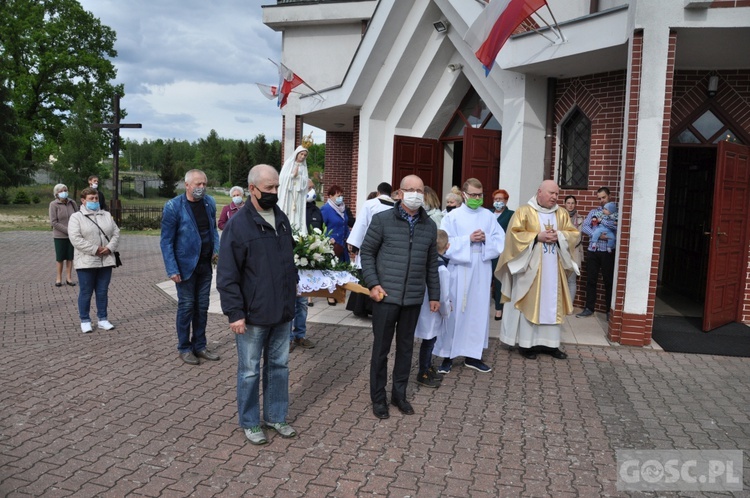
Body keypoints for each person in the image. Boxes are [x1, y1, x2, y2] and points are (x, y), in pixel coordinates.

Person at [216, 164, 299, 446]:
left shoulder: (282, 218)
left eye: (277, 187)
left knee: (279, 366)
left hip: (282, 310)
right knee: (249, 370)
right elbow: (227, 274)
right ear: (252, 189)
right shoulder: (238, 226)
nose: (274, 193)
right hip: (252, 314)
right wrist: (235, 313)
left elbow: (288, 262)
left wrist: (293, 295)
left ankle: (276, 416)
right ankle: (250, 422)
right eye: (269, 188)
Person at [360, 175, 440, 419]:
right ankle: (378, 398)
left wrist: (434, 295)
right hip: (386, 296)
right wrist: (373, 284)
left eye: (419, 190)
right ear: (400, 193)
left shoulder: (429, 226)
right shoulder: (382, 220)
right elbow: (367, 253)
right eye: (410, 190)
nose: (416, 194)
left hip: (413, 298)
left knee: (406, 349)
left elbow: (431, 264)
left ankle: (399, 395)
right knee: (381, 350)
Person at [496, 180, 579, 359]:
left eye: (557, 194)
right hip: (530, 270)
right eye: (551, 193)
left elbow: (573, 234)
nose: (555, 197)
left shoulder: (562, 213)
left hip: (554, 270)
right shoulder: (524, 211)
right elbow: (513, 236)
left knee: (552, 303)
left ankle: (551, 345)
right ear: (539, 192)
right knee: (529, 303)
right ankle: (527, 345)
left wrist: (560, 236)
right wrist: (536, 237)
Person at [435, 178, 505, 374]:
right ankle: (447, 356)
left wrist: (486, 240)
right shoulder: (453, 216)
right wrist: (468, 239)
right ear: (464, 195)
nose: (477, 198)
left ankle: (473, 356)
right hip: (459, 268)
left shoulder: (489, 216)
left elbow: (500, 241)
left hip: (481, 267)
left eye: (480, 195)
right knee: (454, 312)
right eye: (473, 195)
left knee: (478, 311)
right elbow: (443, 243)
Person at [160, 169, 221, 365]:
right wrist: (172, 268)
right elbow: (166, 241)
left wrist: (216, 250)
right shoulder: (173, 206)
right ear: (187, 185)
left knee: (202, 307)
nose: (201, 187)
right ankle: (184, 348)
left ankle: (200, 346)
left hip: (205, 266)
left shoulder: (209, 202)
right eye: (197, 184)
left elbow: (213, 230)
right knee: (187, 306)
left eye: (204, 184)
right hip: (185, 266)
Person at [68, 187, 120, 333]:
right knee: (86, 291)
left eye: (96, 198)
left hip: (106, 260)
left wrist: (109, 247)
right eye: (91, 199)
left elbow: (116, 233)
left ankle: (103, 319)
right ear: (83, 200)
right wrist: (94, 249)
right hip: (86, 261)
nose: (95, 201)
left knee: (102, 291)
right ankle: (85, 320)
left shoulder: (106, 214)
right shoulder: (76, 217)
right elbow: (75, 238)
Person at [346, 182, 395, 317]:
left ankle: (361, 308)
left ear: (378, 192)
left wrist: (354, 244)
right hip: (386, 248)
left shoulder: (370, 204)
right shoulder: (396, 206)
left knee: (366, 274)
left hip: (370, 244)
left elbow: (361, 224)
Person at [414, 229, 451, 389]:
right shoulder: (441, 268)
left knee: (429, 340)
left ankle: (427, 367)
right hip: (432, 311)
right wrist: (447, 310)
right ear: (447, 246)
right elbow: (443, 294)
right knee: (429, 342)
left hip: (421, 307)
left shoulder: (424, 261)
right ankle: (423, 372)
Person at [290, 179, 324, 351]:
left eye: (312, 188)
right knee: (290, 301)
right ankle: (287, 337)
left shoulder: (316, 211)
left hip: (307, 264)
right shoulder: (293, 209)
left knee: (302, 302)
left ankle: (300, 335)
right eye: (308, 188)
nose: (311, 191)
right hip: (293, 261)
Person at [577, 187, 617, 320]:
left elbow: (617, 227)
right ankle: (589, 308)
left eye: (603, 197)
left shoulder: (615, 213)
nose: (601, 200)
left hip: (607, 251)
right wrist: (597, 235)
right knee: (591, 280)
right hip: (593, 251)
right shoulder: (594, 212)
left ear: (609, 196)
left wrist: (606, 232)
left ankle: (608, 311)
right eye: (599, 198)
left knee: (609, 281)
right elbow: (585, 226)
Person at [320, 184, 351, 305]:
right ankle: (330, 295)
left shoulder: (342, 209)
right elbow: (321, 228)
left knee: (341, 270)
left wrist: (349, 239)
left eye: (342, 195)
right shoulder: (326, 209)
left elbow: (345, 225)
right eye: (338, 195)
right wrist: (327, 239)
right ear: (330, 196)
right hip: (332, 245)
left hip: (342, 244)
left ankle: (338, 292)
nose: (340, 198)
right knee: (331, 270)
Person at [490, 189, 514, 321]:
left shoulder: (511, 214)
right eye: (495, 199)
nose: (498, 202)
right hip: (487, 251)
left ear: (506, 201)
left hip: (501, 253)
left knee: (499, 281)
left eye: (500, 199)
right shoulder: (488, 213)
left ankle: (499, 309)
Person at [49, 184, 78, 287]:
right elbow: (54, 222)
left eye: (65, 190)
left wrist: (73, 231)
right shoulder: (53, 204)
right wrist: (67, 230)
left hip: (72, 235)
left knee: (70, 257)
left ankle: (69, 278)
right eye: (62, 191)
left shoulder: (72, 203)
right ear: (56, 193)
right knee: (60, 257)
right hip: (59, 236)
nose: (64, 192)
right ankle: (58, 278)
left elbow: (77, 216)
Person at [278, 145, 309, 235]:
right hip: (289, 193)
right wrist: (292, 175)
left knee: (297, 213)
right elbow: (282, 178)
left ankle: (298, 231)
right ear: (297, 153)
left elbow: (305, 181)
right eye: (301, 154)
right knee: (287, 211)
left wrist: (298, 177)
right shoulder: (289, 163)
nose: (302, 157)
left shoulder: (303, 167)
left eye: (304, 155)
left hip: (298, 194)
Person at [564, 195, 585, 305]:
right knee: (560, 280)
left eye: (572, 203)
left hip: (574, 252)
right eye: (568, 203)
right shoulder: (560, 217)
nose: (570, 205)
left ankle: (569, 305)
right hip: (561, 252)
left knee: (571, 281)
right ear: (565, 204)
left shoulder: (580, 219)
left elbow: (578, 237)